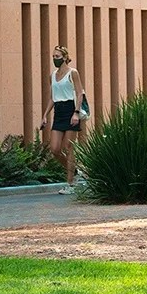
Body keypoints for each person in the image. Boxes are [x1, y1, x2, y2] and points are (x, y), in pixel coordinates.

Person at [40, 45, 89, 195]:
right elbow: (52, 97)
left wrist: (75, 113)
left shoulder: (72, 73)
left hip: (70, 109)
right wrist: (45, 115)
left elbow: (80, 93)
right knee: (54, 149)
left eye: (58, 57)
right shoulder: (52, 76)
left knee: (69, 147)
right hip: (59, 111)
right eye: (54, 57)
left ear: (65, 57)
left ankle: (70, 184)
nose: (55, 59)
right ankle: (74, 171)